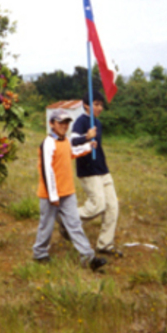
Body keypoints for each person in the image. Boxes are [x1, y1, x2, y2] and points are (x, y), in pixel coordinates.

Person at [32, 109, 107, 272]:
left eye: (66, 123)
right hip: (50, 195)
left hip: (68, 192)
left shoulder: (65, 141)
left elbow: (72, 153)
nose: (64, 126)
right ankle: (39, 253)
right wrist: (53, 195)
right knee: (47, 224)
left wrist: (88, 146)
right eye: (60, 123)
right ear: (51, 124)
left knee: (74, 224)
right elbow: (47, 170)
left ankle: (88, 257)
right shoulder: (48, 143)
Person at [67, 91, 123, 257]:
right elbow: (72, 142)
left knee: (112, 207)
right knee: (98, 204)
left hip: (102, 169)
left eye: (101, 105)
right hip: (88, 170)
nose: (99, 108)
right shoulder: (81, 122)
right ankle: (68, 219)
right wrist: (87, 136)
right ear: (86, 105)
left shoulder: (98, 123)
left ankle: (105, 244)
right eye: (96, 104)